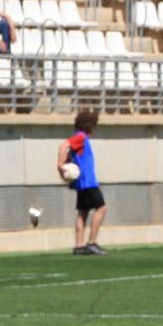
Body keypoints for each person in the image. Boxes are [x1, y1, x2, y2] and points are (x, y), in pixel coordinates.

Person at [58, 109, 107, 256]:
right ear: (89, 126)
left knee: (83, 212)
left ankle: (79, 246)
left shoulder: (81, 138)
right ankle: (92, 243)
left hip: (81, 182)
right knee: (101, 209)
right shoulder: (81, 137)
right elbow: (64, 145)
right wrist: (60, 163)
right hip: (88, 182)